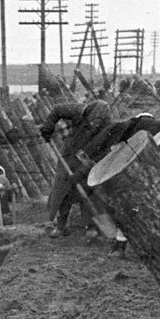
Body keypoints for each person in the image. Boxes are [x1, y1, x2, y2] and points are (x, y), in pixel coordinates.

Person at [39, 100, 117, 238]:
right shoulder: (79, 110)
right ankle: (61, 226)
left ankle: (90, 226)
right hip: (68, 154)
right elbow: (57, 109)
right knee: (62, 188)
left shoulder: (108, 131)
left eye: (98, 123)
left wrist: (80, 173)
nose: (94, 125)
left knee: (89, 190)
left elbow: (100, 156)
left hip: (87, 160)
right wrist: (48, 127)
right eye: (92, 121)